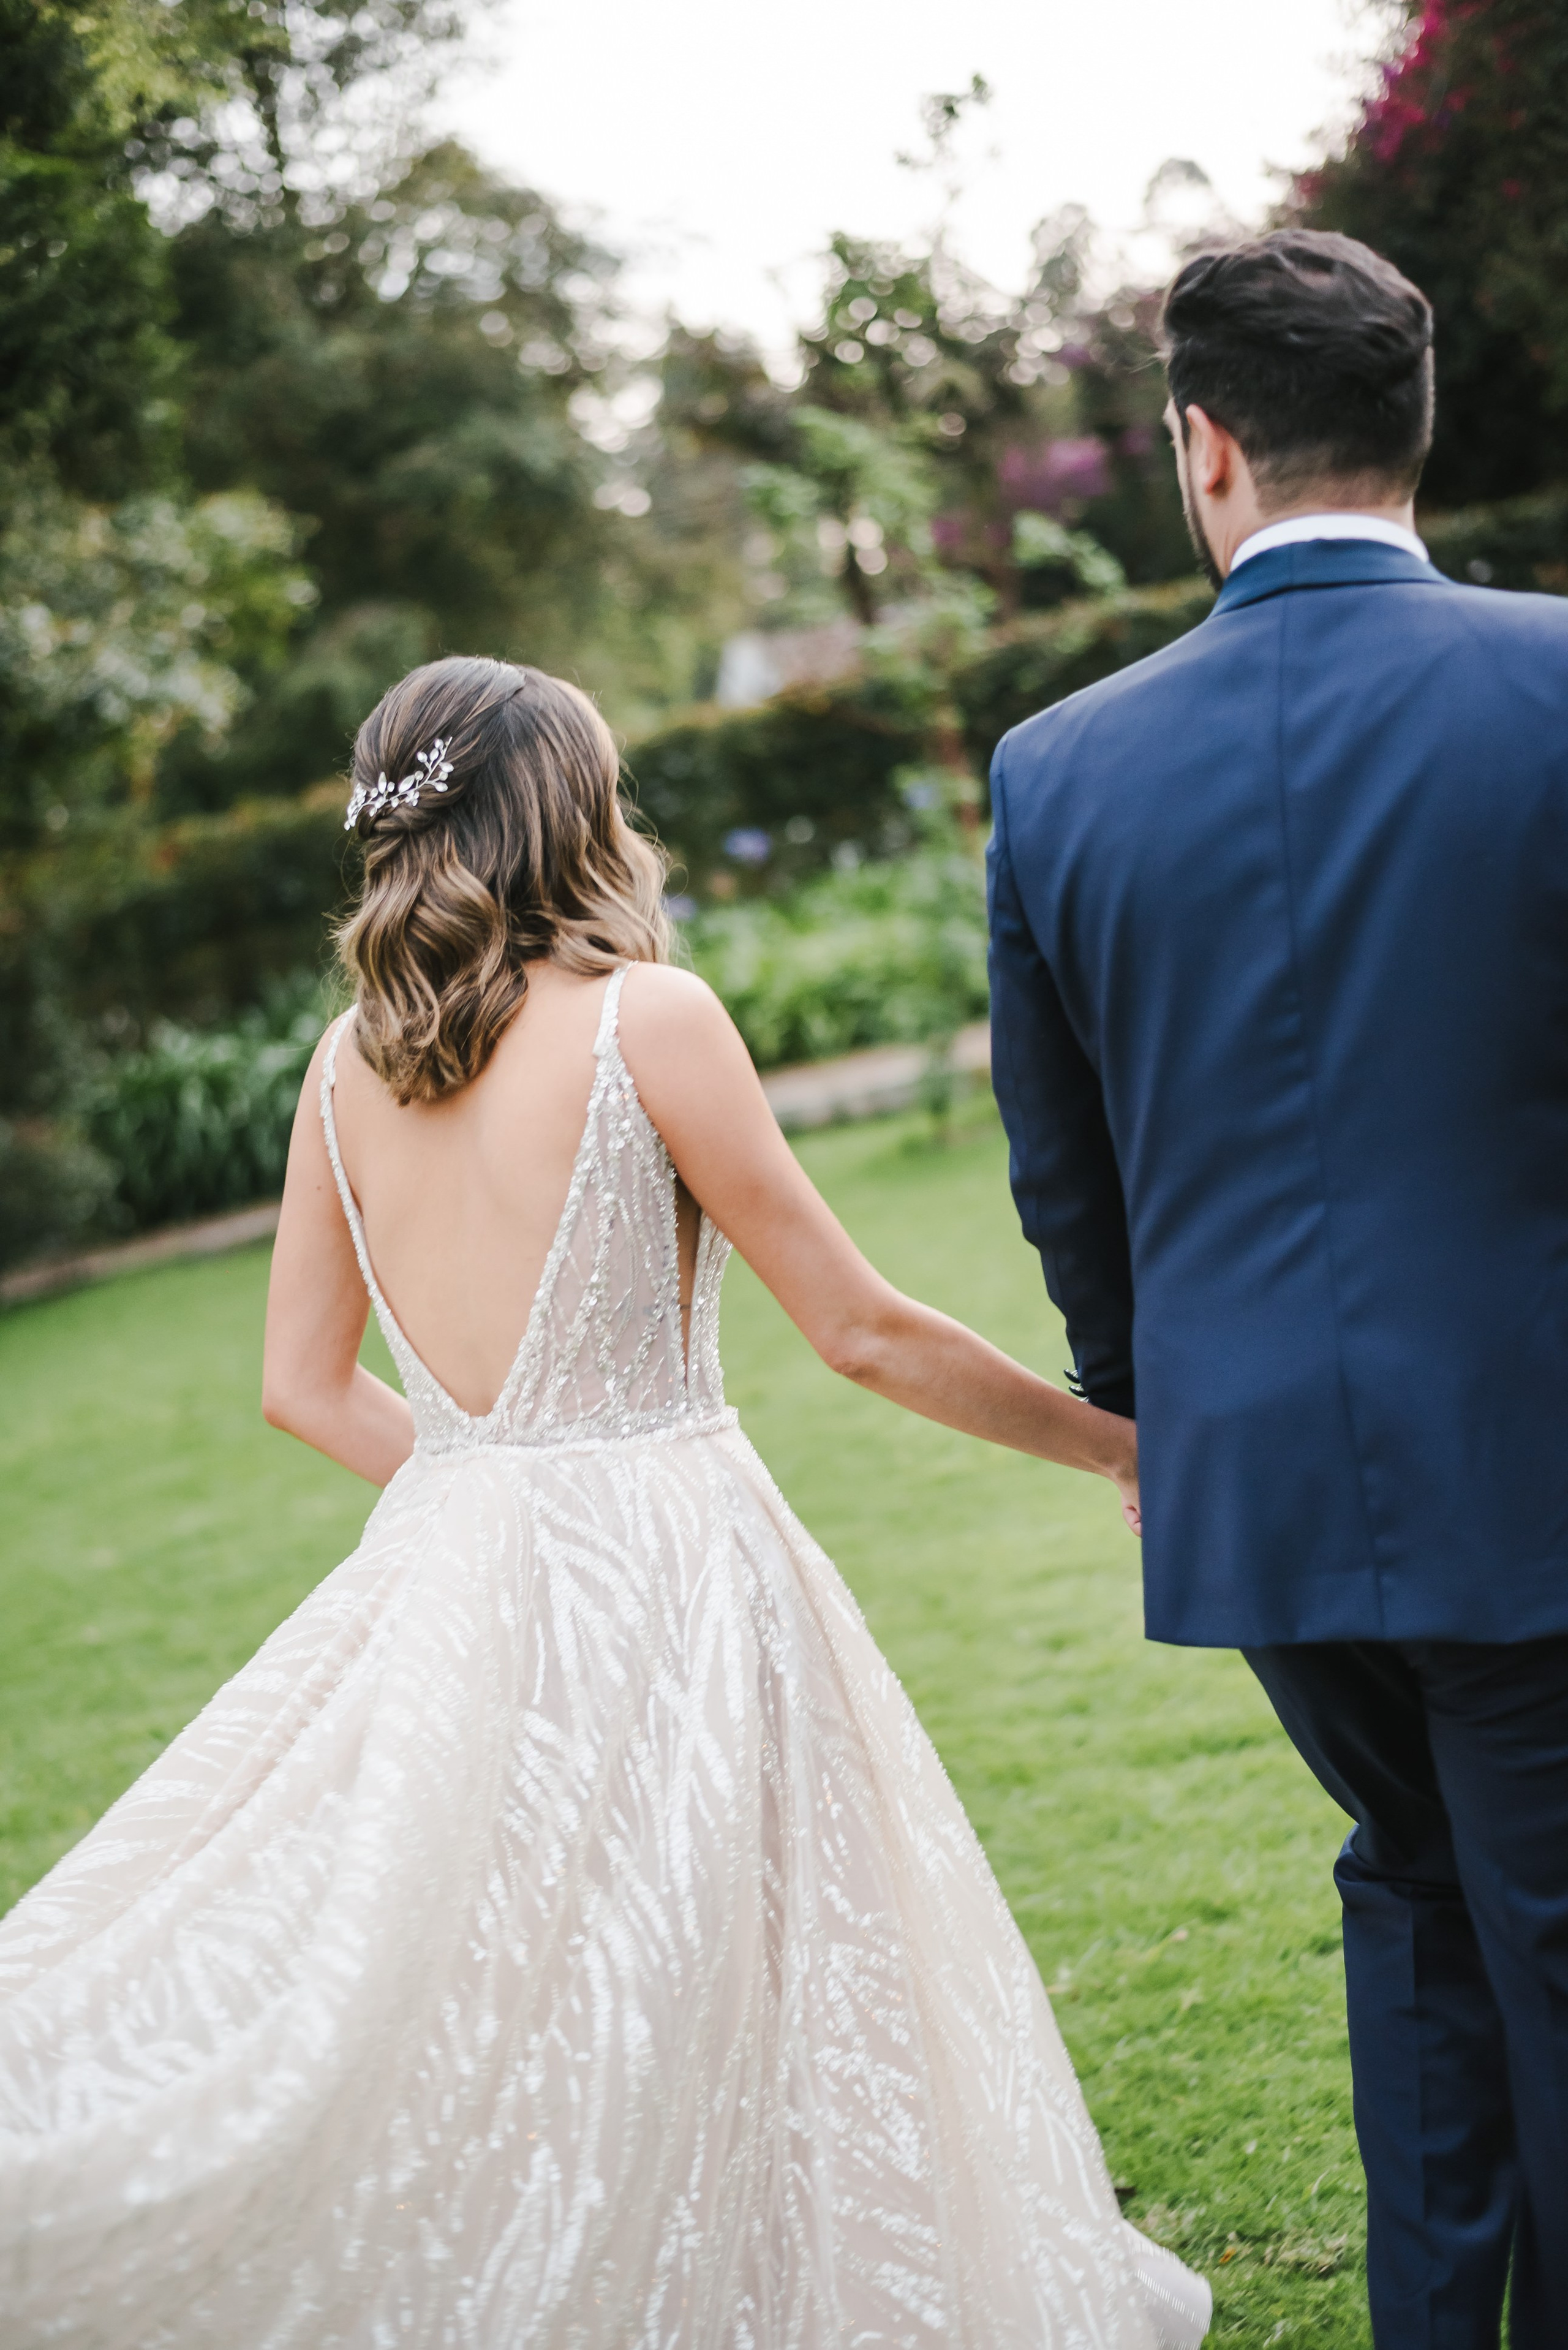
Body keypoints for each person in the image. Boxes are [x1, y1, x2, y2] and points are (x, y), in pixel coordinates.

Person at [0, 656, 1210, 2346]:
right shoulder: (654, 1017)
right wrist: (1125, 1446)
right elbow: (857, 1328)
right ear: (565, 806)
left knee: (517, 1982)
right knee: (716, 1953)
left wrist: (486, 1502)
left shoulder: (342, 1066)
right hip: (676, 1557)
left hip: (453, 1565)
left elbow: (298, 1383)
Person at [987, 226, 1568, 2348]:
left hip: (1261, 1487)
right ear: (1420, 429)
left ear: (1203, 449)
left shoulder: (1055, 770)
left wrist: (1151, 1407)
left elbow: (1067, 1173)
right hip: (1536, 1452)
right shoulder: (1560, 681)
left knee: (1414, 1894)